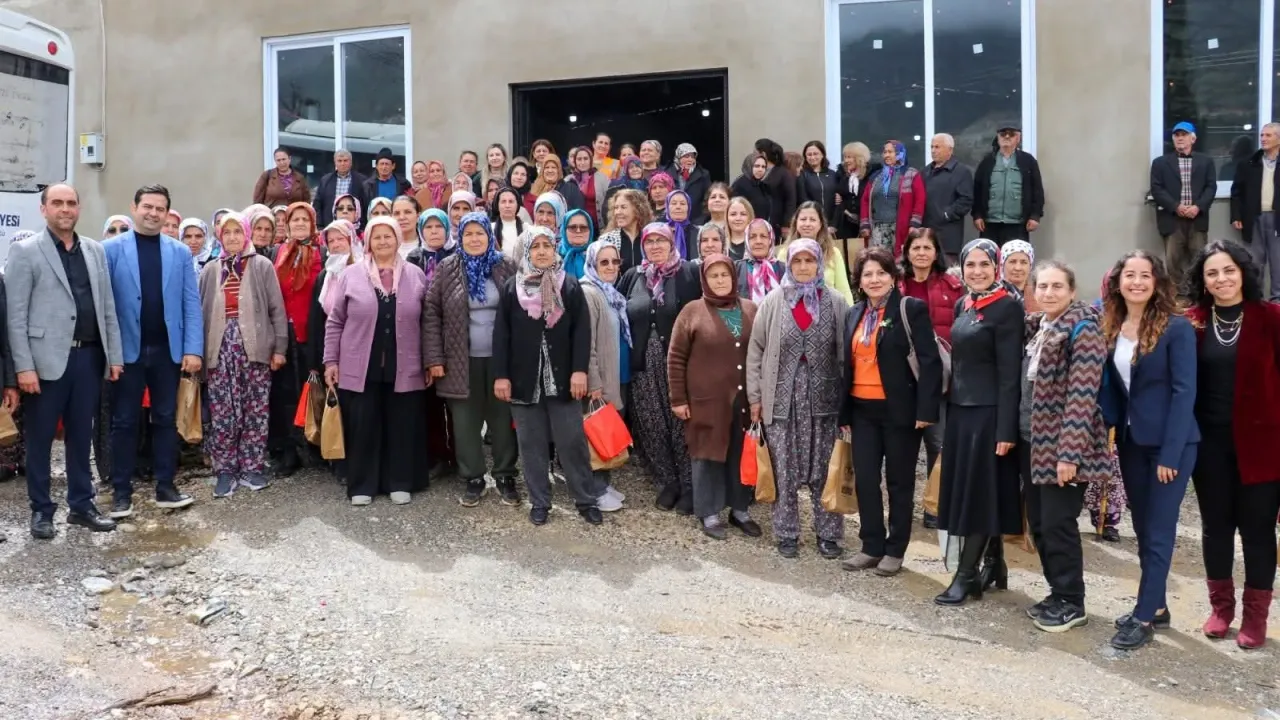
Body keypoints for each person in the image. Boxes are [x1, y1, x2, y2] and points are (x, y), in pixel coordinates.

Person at [8, 184, 122, 538]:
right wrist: (24, 367)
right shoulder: (25, 251)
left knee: (81, 436)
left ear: (78, 208)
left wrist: (114, 355)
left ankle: (82, 506)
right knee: (40, 439)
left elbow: (106, 307)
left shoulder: (94, 251)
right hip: (45, 363)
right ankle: (41, 511)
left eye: (71, 203)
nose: (65, 209)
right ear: (44, 209)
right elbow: (16, 316)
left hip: (88, 357)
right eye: (57, 203)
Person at [1099, 250, 1198, 650]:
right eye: (1129, 275)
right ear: (1118, 282)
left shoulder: (1177, 328)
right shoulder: (1113, 325)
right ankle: (1156, 605)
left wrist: (1171, 454)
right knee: (1142, 528)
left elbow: (1184, 392)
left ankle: (1142, 618)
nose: (1136, 282)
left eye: (1144, 275)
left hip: (1171, 447)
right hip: (1132, 443)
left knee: (1159, 530)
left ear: (1157, 281)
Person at [1184, 240, 1280, 649]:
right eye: (1212, 273)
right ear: (1203, 281)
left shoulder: (1271, 317)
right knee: (1216, 527)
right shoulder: (1192, 321)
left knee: (1258, 530)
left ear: (1243, 273)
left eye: (1228, 270)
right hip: (1210, 445)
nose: (1221, 279)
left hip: (1263, 444)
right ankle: (1221, 609)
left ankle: (1256, 616)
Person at [1019, 260, 1109, 633]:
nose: (1049, 293)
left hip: (1063, 450)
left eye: (1057, 286)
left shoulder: (1084, 330)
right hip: (1033, 443)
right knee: (1041, 524)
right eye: (1042, 286)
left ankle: (1073, 602)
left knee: (1059, 524)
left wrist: (1069, 455)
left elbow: (1081, 396)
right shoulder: (1040, 326)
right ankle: (1058, 592)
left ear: (1072, 291)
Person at [102, 184, 202, 519]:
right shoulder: (110, 250)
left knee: (165, 419)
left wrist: (193, 349)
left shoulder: (179, 253)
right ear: (134, 208)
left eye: (160, 208)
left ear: (166, 213)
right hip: (126, 353)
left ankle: (166, 487)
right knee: (124, 422)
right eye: (147, 206)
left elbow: (190, 303)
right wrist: (110, 352)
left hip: (166, 351)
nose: (153, 213)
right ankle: (121, 493)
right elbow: (105, 306)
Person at [839, 246, 941, 576]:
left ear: (893, 276)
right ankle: (871, 545)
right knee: (866, 481)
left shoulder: (910, 309)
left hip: (901, 412)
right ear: (858, 280)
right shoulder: (853, 314)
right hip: (862, 412)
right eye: (867, 274)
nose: (874, 279)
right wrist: (844, 414)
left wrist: (926, 410)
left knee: (899, 483)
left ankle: (895, 549)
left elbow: (930, 362)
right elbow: (846, 366)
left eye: (881, 273)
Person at [747, 239, 850, 560]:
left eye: (809, 260)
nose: (803, 267)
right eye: (797, 261)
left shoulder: (836, 302)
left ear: (819, 264)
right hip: (781, 400)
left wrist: (849, 403)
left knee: (825, 468)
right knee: (784, 469)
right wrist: (755, 398)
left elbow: (846, 355)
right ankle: (787, 533)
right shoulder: (773, 301)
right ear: (788, 265)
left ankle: (828, 534)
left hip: (825, 401)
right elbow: (756, 351)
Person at [935, 239, 1025, 606]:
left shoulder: (1008, 307)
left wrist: (1006, 428)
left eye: (984, 265)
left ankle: (966, 575)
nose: (976, 271)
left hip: (989, 414)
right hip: (962, 411)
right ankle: (994, 564)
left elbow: (1010, 374)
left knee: (980, 495)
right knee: (975, 491)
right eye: (970, 265)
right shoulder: (964, 303)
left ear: (996, 267)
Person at [493, 226, 601, 525]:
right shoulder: (512, 288)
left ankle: (585, 500)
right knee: (531, 444)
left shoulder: (569, 285)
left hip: (563, 378)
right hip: (524, 380)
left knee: (572, 442)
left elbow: (582, 332)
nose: (542, 251)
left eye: (547, 246)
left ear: (555, 249)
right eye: (535, 246)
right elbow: (501, 335)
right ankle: (540, 502)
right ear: (525, 252)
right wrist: (501, 376)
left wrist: (579, 371)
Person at [324, 216, 430, 506]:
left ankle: (399, 481)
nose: (383, 241)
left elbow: (427, 322)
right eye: (377, 236)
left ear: (398, 239)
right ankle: (363, 484)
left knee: (401, 423)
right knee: (363, 425)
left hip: (404, 364)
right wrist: (331, 360)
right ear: (368, 241)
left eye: (388, 236)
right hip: (360, 365)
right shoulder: (351, 275)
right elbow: (335, 321)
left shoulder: (415, 275)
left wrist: (429, 361)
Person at [424, 212, 520, 507]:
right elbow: (431, 313)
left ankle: (505, 475)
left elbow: (520, 309)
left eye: (480, 233)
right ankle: (473, 477)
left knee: (502, 419)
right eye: (468, 234)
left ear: (489, 236)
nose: (475, 239)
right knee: (465, 422)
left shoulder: (506, 265)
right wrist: (435, 358)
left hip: (502, 360)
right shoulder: (447, 268)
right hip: (459, 360)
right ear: (460, 237)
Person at [668, 253, 760, 539]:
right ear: (704, 279)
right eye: (713, 276)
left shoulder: (751, 309)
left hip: (743, 402)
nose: (720, 281)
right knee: (707, 455)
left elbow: (761, 353)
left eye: (725, 275)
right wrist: (678, 399)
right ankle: (709, 512)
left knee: (740, 453)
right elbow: (676, 357)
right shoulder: (692, 311)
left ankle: (740, 510)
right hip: (706, 402)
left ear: (733, 277)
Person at [200, 212, 288, 498]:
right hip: (220, 350)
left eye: (238, 231)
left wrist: (279, 349)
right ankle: (225, 470)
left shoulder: (261, 265)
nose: (233, 237)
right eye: (227, 232)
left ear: (246, 234)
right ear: (220, 237)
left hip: (255, 349)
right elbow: (200, 313)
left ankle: (252, 467)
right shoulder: (211, 270)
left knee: (255, 409)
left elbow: (277, 310)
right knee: (223, 411)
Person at [618, 223, 700, 512]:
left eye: (660, 240)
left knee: (681, 423)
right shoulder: (633, 276)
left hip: (678, 364)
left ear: (671, 242)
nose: (655, 246)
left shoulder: (688, 273)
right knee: (651, 424)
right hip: (643, 365)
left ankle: (690, 485)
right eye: (649, 241)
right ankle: (668, 482)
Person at [898, 228, 965, 528]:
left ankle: (935, 507)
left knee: (938, 444)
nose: (922, 253)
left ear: (936, 252)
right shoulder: (895, 284)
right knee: (902, 449)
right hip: (901, 376)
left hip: (938, 376)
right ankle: (901, 508)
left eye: (927, 248)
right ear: (907, 252)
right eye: (916, 248)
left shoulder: (952, 286)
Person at [580, 240, 630, 507]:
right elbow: (586, 344)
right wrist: (593, 381)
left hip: (616, 374)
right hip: (599, 379)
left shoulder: (610, 292)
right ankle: (595, 491)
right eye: (604, 262)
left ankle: (603, 484)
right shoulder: (589, 293)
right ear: (592, 264)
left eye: (615, 261)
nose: (611, 267)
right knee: (596, 432)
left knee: (607, 430)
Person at [1150, 122, 1216, 292]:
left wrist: (1198, 207)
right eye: (1177, 135)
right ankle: (1178, 296)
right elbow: (1157, 189)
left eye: (1184, 135)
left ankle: (1199, 294)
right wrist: (1176, 206)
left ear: (1193, 139)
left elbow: (1211, 187)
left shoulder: (1206, 162)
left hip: (1197, 218)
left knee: (1200, 258)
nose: (1180, 138)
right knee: (1173, 260)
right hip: (1172, 219)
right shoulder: (1160, 163)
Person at [1229, 122, 1280, 301]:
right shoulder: (1249, 163)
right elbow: (1237, 192)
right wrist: (1236, 215)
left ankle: (1277, 302)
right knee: (1255, 262)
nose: (1263, 139)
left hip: (1277, 219)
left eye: (1268, 135)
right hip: (1254, 218)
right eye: (1262, 135)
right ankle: (1255, 301)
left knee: (1278, 262)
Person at [973, 123, 1046, 246]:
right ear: (998, 137)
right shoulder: (987, 161)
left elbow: (1037, 191)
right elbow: (977, 190)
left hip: (1018, 224)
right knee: (990, 256)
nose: (1006, 137)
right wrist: (977, 215)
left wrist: (1035, 216)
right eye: (1003, 134)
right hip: (990, 224)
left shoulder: (1028, 161)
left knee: (1016, 256)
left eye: (1011, 134)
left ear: (1018, 138)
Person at [859, 140, 925, 256]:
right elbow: (865, 200)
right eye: (885, 152)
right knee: (879, 260)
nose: (887, 155)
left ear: (900, 154)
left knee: (900, 260)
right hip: (877, 228)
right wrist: (865, 224)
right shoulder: (876, 176)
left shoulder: (912, 174)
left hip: (901, 227)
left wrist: (914, 224)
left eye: (890, 152)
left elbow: (920, 200)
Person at [781, 202, 853, 304]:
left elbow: (843, 290)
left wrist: (849, 313)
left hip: (829, 309)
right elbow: (780, 291)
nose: (807, 224)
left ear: (821, 224)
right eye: (803, 219)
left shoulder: (833, 253)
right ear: (796, 223)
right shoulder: (784, 253)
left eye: (812, 220)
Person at [923, 134, 974, 263]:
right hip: (927, 235)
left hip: (948, 237)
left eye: (937, 147)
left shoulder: (961, 172)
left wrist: (946, 215)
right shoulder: (925, 172)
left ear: (950, 150)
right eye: (932, 147)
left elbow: (966, 200)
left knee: (947, 272)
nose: (933, 150)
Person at [834, 142, 875, 254]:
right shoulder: (843, 175)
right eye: (845, 157)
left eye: (849, 157)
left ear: (859, 157)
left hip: (866, 222)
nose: (846, 160)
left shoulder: (872, 175)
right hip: (846, 222)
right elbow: (840, 197)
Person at [600, 188, 653, 275]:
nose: (618, 212)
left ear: (638, 210)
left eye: (623, 207)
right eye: (616, 208)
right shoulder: (607, 240)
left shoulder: (650, 237)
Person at [313, 149, 369, 228]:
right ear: (335, 162)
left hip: (355, 228)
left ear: (351, 162)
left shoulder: (362, 181)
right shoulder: (325, 180)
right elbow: (318, 205)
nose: (342, 164)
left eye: (345, 161)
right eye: (339, 161)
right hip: (330, 226)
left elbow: (366, 206)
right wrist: (319, 226)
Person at [738, 219, 783, 303]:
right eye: (752, 237)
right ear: (747, 240)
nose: (758, 241)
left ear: (771, 239)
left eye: (763, 236)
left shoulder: (784, 269)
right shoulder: (736, 268)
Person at [796, 141, 838, 231]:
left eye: (815, 154)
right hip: (811, 224)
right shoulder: (802, 175)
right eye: (809, 155)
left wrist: (834, 224)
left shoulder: (833, 174)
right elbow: (803, 198)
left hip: (832, 225)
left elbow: (838, 201)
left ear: (822, 155)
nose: (812, 157)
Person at [667, 144, 711, 224]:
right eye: (686, 156)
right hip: (671, 221)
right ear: (678, 157)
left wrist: (701, 220)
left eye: (693, 157)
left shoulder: (703, 175)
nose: (690, 160)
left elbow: (707, 199)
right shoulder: (667, 173)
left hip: (696, 222)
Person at [570, 146, 611, 229]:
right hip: (576, 228)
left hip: (599, 228)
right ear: (575, 161)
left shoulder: (603, 178)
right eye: (579, 159)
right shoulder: (569, 180)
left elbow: (610, 204)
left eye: (585, 159)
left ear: (591, 160)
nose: (582, 162)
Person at [1001, 239, 1039, 313]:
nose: (1018, 268)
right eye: (1012, 262)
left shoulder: (1040, 294)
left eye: (1023, 262)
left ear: (1030, 266)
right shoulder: (993, 295)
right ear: (1002, 264)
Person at [492, 187, 529, 256]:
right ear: (497, 205)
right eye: (503, 201)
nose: (507, 206)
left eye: (511, 201)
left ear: (517, 205)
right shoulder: (490, 228)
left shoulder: (527, 228)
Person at [558, 209, 594, 279]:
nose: (578, 231)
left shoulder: (597, 255)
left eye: (583, 227)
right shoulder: (554, 255)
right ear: (564, 230)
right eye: (573, 227)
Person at [664, 190, 695, 259]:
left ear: (689, 208)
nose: (678, 207)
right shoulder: (661, 231)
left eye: (682, 204)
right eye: (674, 203)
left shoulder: (697, 232)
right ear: (667, 207)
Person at [724, 196, 755, 261]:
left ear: (750, 217)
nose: (738, 218)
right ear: (727, 218)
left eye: (743, 214)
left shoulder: (757, 244)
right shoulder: (720, 243)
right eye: (733, 214)